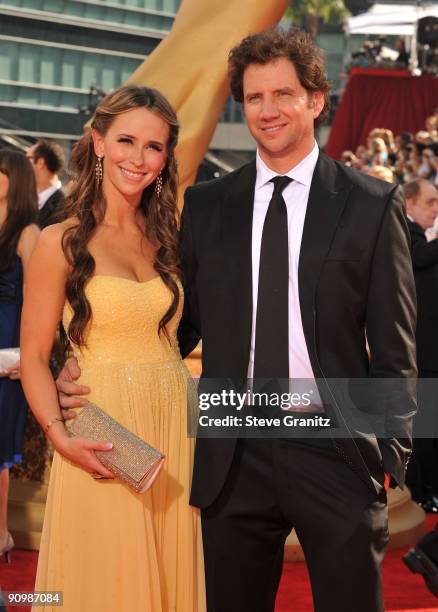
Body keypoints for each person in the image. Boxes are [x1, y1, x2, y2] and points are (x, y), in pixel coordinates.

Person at [58, 28, 417, 612]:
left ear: (316, 100)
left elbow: (398, 348)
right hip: (232, 448)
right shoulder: (208, 205)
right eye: (254, 98)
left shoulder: (371, 204)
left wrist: (389, 454)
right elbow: (178, 324)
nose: (268, 111)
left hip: (335, 448)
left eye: (282, 94)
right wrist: (81, 359)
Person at [20, 85, 205, 612]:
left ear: (167, 156)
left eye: (154, 147)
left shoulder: (168, 235)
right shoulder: (60, 241)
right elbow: (34, 355)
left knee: (168, 582)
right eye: (126, 140)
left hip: (173, 426)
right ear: (98, 142)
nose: (139, 158)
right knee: (105, 583)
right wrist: (59, 435)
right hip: (103, 432)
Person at [0, 150, 39, 562]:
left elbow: (37, 301)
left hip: (8, 346)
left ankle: (2, 534)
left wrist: (28, 355)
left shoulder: (27, 233)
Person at [404, 179, 438, 511]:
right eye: (430, 202)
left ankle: (424, 490)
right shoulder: (403, 233)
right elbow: (417, 256)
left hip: (427, 350)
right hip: (423, 351)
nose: (435, 209)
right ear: (409, 204)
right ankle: (419, 493)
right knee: (424, 428)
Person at [26, 140, 66, 228]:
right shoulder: (24, 196)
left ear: (40, 162)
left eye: (28, 158)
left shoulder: (64, 204)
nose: (24, 163)